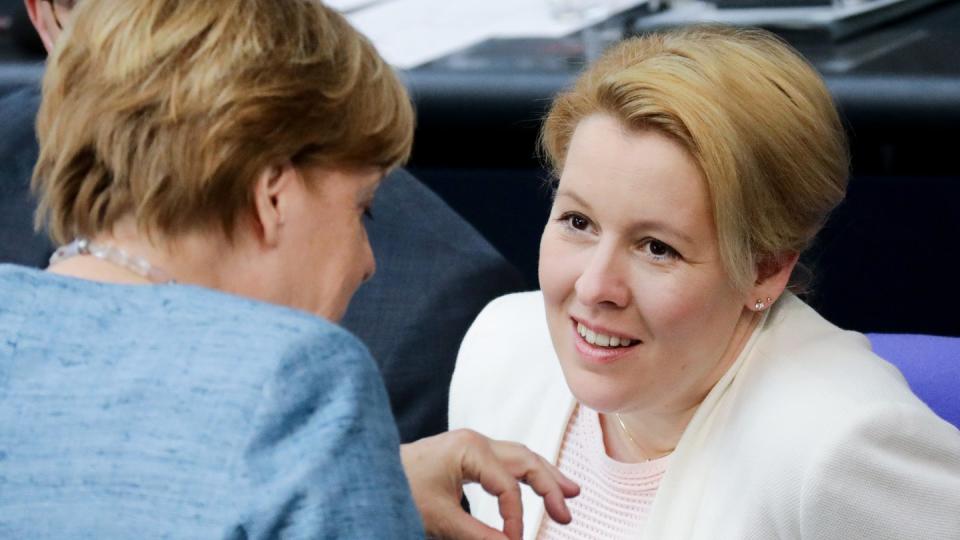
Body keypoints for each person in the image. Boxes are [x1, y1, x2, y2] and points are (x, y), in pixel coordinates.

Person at [0, 0, 577, 538]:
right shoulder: (298, 377)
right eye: (361, 206)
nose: (368, 262)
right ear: (272, 195)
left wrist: (369, 477)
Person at [450, 26, 960, 538]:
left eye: (657, 248)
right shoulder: (501, 352)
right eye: (578, 222)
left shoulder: (837, 447)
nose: (593, 287)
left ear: (765, 269)